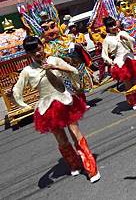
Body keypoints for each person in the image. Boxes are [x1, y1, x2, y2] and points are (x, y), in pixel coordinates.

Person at [12, 36, 100, 183]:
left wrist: (56, 67)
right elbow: (17, 89)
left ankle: (90, 166)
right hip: (47, 107)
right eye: (33, 52)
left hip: (64, 101)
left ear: (43, 46)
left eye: (39, 49)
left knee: (75, 132)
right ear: (29, 54)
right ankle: (74, 163)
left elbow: (74, 71)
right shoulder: (27, 71)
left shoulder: (54, 60)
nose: (38, 53)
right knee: (61, 138)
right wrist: (22, 103)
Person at [101, 16, 136, 110]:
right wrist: (109, 61)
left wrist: (125, 38)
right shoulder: (107, 40)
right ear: (107, 28)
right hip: (120, 62)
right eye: (110, 26)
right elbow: (104, 54)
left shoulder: (122, 32)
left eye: (114, 24)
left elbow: (133, 40)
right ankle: (133, 102)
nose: (113, 27)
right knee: (127, 84)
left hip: (131, 59)